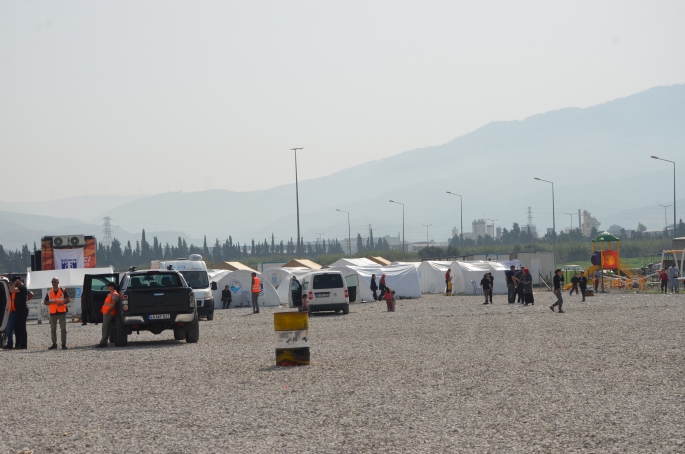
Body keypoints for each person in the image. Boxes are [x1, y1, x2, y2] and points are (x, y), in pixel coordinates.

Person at [44, 277, 70, 350]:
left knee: (63, 329)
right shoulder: (49, 292)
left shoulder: (63, 290)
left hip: (62, 312)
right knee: (53, 330)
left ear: (58, 282)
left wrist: (62, 303)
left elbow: (68, 299)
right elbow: (45, 302)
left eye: (55, 281)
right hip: (52, 313)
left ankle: (63, 344)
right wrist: (50, 302)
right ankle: (54, 344)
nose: (53, 283)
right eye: (52, 282)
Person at [9, 277, 32, 350]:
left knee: (22, 328)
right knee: (18, 328)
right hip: (18, 310)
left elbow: (12, 289)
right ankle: (18, 344)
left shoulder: (22, 287)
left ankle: (24, 344)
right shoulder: (20, 288)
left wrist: (14, 283)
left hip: (22, 310)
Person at [96, 282, 118, 348]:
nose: (107, 288)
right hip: (107, 313)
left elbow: (113, 304)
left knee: (105, 327)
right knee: (105, 327)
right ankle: (103, 342)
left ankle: (103, 342)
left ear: (112, 287)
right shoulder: (110, 294)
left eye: (108, 286)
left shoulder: (114, 294)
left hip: (109, 313)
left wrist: (108, 311)